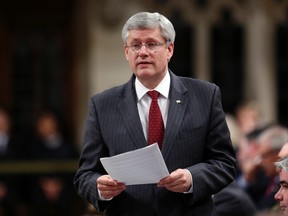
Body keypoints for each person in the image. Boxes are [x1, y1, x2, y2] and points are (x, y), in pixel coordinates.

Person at [74, 12, 236, 216]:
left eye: (151, 44)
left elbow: (225, 163)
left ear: (169, 49)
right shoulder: (103, 104)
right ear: (126, 52)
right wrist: (100, 188)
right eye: (135, 45)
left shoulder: (205, 95)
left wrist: (192, 178)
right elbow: (84, 175)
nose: (142, 52)